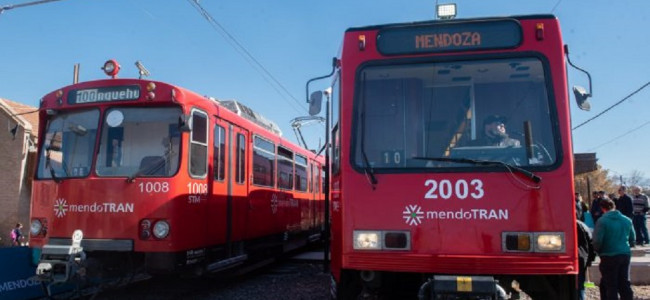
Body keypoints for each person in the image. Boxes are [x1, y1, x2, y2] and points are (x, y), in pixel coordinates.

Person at [592, 198, 635, 300]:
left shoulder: (602, 221)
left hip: (608, 255)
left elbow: (597, 241)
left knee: (610, 285)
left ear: (602, 208)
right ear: (614, 206)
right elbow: (633, 238)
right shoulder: (627, 220)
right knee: (624, 282)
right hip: (625, 254)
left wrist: (596, 251)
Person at [577, 220, 596, 300]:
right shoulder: (582, 225)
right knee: (580, 284)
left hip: (566, 260)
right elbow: (591, 243)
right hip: (582, 259)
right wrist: (590, 260)